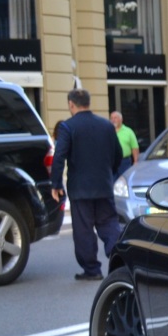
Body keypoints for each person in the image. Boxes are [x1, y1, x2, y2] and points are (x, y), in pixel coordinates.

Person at [52, 89, 123, 280]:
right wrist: (110, 173)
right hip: (103, 185)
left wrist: (56, 183)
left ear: (71, 104)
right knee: (109, 224)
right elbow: (118, 153)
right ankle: (121, 260)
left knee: (84, 230)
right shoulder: (106, 126)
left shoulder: (68, 127)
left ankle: (92, 269)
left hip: (80, 189)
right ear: (88, 103)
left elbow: (59, 157)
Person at [109, 110, 139, 179]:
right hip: (111, 162)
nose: (113, 120)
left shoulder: (128, 131)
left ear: (121, 119)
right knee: (112, 182)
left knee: (124, 181)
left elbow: (135, 147)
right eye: (111, 118)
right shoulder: (108, 131)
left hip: (124, 162)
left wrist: (135, 161)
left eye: (115, 118)